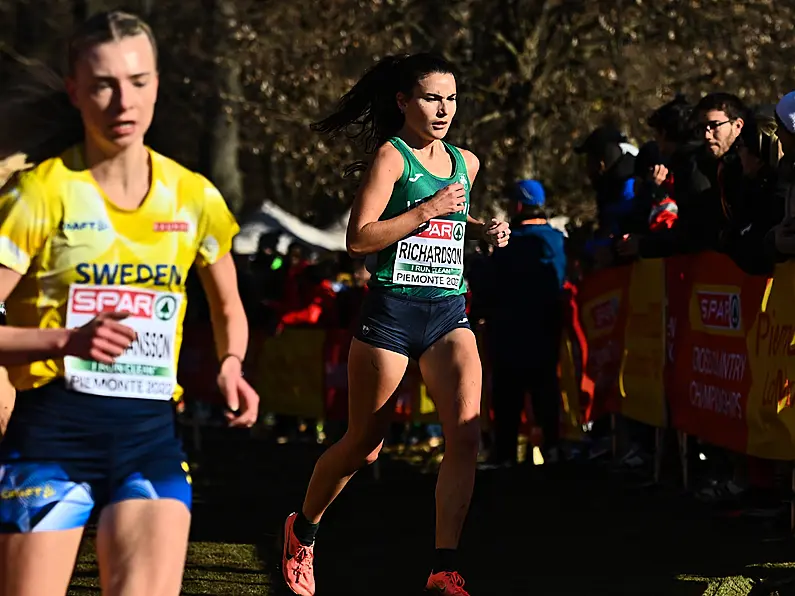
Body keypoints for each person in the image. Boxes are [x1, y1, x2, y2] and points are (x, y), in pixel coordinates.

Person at [0, 11, 259, 596]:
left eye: (138, 82)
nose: (124, 101)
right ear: (75, 91)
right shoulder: (41, 193)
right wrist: (67, 341)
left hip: (148, 439)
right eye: (104, 84)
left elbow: (226, 309)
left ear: (158, 84)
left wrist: (231, 363)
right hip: (49, 440)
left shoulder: (194, 196)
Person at [280, 53, 510, 596]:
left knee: (466, 434)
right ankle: (303, 530)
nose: (443, 109)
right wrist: (425, 209)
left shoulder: (466, 163)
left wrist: (482, 232)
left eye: (451, 99)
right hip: (390, 313)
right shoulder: (392, 157)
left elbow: (453, 221)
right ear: (404, 101)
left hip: (448, 312)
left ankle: (443, 567)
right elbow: (359, 240)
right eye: (432, 97)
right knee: (366, 444)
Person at [483, 180, 566, 467]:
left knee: (507, 400)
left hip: (509, 336)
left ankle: (505, 455)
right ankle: (553, 450)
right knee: (546, 395)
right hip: (545, 335)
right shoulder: (557, 240)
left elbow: (488, 287)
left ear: (517, 206)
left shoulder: (508, 244)